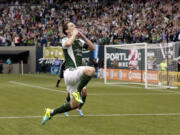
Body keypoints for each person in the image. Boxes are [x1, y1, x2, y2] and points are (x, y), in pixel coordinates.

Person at [42, 22, 95, 125]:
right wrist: (74, 34)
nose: (74, 26)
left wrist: (83, 36)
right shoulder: (65, 40)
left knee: (74, 105)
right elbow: (68, 44)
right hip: (70, 72)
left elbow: (92, 48)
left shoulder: (79, 41)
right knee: (91, 70)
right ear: (67, 31)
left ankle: (51, 112)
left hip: (76, 75)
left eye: (74, 25)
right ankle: (77, 92)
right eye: (71, 26)